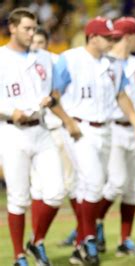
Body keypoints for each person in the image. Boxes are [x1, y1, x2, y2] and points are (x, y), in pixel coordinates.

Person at [53, 17, 135, 265]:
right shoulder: (70, 59)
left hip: (105, 129)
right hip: (79, 127)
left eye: (113, 36)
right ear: (92, 37)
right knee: (94, 183)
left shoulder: (113, 64)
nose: (111, 40)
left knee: (89, 187)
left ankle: (81, 244)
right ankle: (90, 239)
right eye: (107, 36)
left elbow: (121, 95)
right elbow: (52, 95)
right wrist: (67, 122)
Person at [0, 8, 79, 266]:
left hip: (41, 127)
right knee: (19, 197)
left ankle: (36, 241)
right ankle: (18, 255)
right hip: (13, 130)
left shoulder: (45, 57)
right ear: (12, 27)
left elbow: (56, 92)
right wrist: (11, 111)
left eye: (34, 28)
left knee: (56, 192)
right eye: (26, 28)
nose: (32, 34)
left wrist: (52, 99)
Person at [93, 16, 135, 257]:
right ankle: (94, 223)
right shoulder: (103, 62)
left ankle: (125, 240)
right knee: (116, 182)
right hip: (112, 127)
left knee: (132, 187)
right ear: (128, 36)